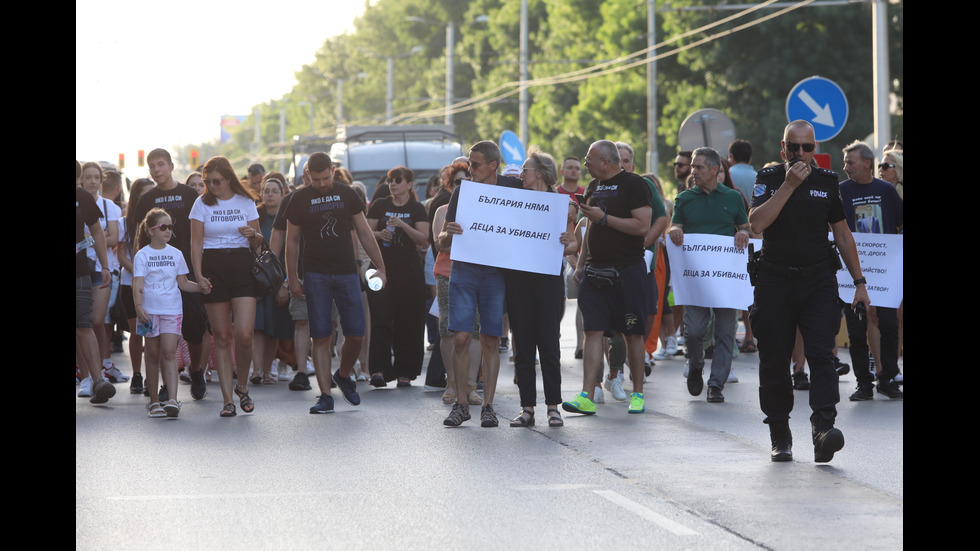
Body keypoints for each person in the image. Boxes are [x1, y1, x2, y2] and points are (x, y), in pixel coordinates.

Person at [748, 120, 870, 463]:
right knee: (773, 359)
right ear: (782, 147)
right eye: (794, 147)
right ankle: (779, 434)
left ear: (815, 148)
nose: (801, 154)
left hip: (817, 281)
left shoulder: (828, 182)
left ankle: (823, 429)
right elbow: (757, 224)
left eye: (807, 147)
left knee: (822, 355)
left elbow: (843, 236)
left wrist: (860, 284)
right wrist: (787, 186)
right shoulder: (770, 178)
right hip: (774, 281)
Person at [285, 152, 386, 414]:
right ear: (307, 174)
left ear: (333, 170)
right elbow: (292, 240)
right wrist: (292, 277)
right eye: (315, 179)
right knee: (321, 335)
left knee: (356, 333)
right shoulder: (299, 199)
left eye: (325, 178)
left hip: (346, 272)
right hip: (315, 273)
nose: (320, 184)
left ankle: (342, 374)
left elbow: (364, 231)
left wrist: (381, 267)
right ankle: (325, 395)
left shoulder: (347, 193)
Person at [563, 140, 653, 416]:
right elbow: (590, 227)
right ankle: (586, 395)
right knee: (592, 331)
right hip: (594, 270)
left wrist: (604, 218)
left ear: (605, 161)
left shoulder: (635, 185)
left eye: (589, 159)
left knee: (632, 333)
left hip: (627, 271)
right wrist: (581, 263)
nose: (585, 164)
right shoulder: (593, 187)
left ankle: (636, 393)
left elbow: (642, 226)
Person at [438, 140, 524, 427]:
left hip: (496, 274)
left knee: (489, 339)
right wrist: (446, 235)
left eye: (474, 164)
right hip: (464, 270)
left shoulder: (513, 187)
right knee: (461, 337)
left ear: (492, 166)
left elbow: (540, 208)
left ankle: (488, 405)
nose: (469, 168)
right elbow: (443, 242)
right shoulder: (463, 192)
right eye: (469, 164)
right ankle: (462, 404)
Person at [668, 147, 750, 404]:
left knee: (725, 332)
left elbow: (746, 227)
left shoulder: (733, 198)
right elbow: (675, 224)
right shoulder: (684, 199)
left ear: (716, 170)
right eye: (692, 166)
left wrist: (743, 234)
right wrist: (674, 230)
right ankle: (695, 365)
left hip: (725, 277)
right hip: (696, 278)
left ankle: (716, 385)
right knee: (693, 331)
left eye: (699, 167)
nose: (693, 171)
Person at [506, 151, 579, 428]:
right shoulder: (514, 201)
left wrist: (566, 241)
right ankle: (526, 408)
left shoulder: (561, 204)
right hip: (517, 279)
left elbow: (572, 244)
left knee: (549, 344)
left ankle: (553, 407)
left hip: (548, 279)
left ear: (540, 172)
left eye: (525, 169)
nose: (521, 175)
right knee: (522, 345)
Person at [132, 149, 209, 401]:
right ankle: (164, 385)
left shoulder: (189, 195)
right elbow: (138, 237)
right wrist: (138, 273)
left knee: (195, 330)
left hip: (183, 273)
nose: (156, 169)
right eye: (152, 166)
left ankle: (196, 370)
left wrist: (199, 274)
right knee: (159, 341)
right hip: (155, 281)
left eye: (161, 164)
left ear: (172, 165)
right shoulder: (147, 199)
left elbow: (200, 233)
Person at [190, 156, 263, 417]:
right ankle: (227, 399)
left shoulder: (245, 201)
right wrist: (198, 275)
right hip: (213, 268)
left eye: (216, 181)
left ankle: (242, 387)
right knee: (222, 336)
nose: (212, 185)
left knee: (244, 334)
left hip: (242, 267)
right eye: (208, 182)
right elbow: (196, 243)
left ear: (229, 178)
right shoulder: (201, 203)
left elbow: (258, 242)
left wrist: (253, 235)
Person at [839, 141, 903, 401]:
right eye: (845, 163)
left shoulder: (886, 191)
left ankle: (887, 378)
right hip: (852, 272)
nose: (846, 168)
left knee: (888, 325)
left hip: (883, 270)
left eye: (850, 163)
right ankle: (863, 383)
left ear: (866, 163)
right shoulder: (841, 191)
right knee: (856, 329)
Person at [133, 208, 202, 418]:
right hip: (148, 312)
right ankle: (154, 402)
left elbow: (182, 283)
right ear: (151, 230)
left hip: (172, 309)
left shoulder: (176, 253)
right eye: (163, 227)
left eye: (170, 227)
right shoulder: (142, 255)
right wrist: (138, 307)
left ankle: (172, 399)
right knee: (152, 355)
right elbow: (138, 283)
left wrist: (201, 286)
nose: (168, 231)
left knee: (169, 352)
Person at [365, 166, 429, 387]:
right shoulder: (380, 205)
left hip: (409, 271)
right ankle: (378, 371)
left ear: (410, 184)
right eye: (391, 180)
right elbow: (365, 232)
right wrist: (379, 233)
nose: (393, 183)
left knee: (408, 319)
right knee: (380, 317)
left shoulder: (417, 208)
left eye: (398, 180)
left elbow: (423, 238)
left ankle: (405, 371)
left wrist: (402, 225)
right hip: (380, 269)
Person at [430, 161, 483, 407]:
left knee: (474, 331)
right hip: (447, 274)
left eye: (469, 181)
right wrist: (449, 233)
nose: (465, 186)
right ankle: (451, 383)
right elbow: (440, 245)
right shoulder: (442, 210)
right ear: (451, 185)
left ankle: (471, 385)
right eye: (460, 182)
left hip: (478, 275)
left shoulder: (486, 208)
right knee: (447, 331)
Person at [79, 162, 126, 384]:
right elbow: (101, 235)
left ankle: (103, 366)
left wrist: (87, 238)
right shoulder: (81, 200)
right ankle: (88, 374)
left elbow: (112, 238)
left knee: (97, 320)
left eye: (96, 177)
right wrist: (97, 237)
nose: (92, 181)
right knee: (82, 323)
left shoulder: (110, 207)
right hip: (82, 266)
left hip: (100, 267)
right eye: (88, 177)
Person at [76, 161, 117, 404]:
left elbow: (97, 232)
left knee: (84, 324)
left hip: (79, 270)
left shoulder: (83, 197)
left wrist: (104, 265)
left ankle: (98, 379)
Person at [250, 173, 294, 385]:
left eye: (274, 191)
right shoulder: (254, 216)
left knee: (273, 326)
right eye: (266, 191)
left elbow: (293, 253)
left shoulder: (289, 218)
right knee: (257, 325)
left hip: (279, 280)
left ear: (283, 194)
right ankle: (257, 370)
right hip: (257, 279)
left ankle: (269, 370)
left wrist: (285, 283)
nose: (270, 194)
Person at [118, 177, 157, 394]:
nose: (149, 198)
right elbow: (121, 254)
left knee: (154, 332)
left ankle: (153, 377)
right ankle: (137, 374)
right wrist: (138, 271)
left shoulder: (162, 221)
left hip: (156, 285)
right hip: (130, 282)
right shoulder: (127, 222)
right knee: (137, 331)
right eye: (144, 194)